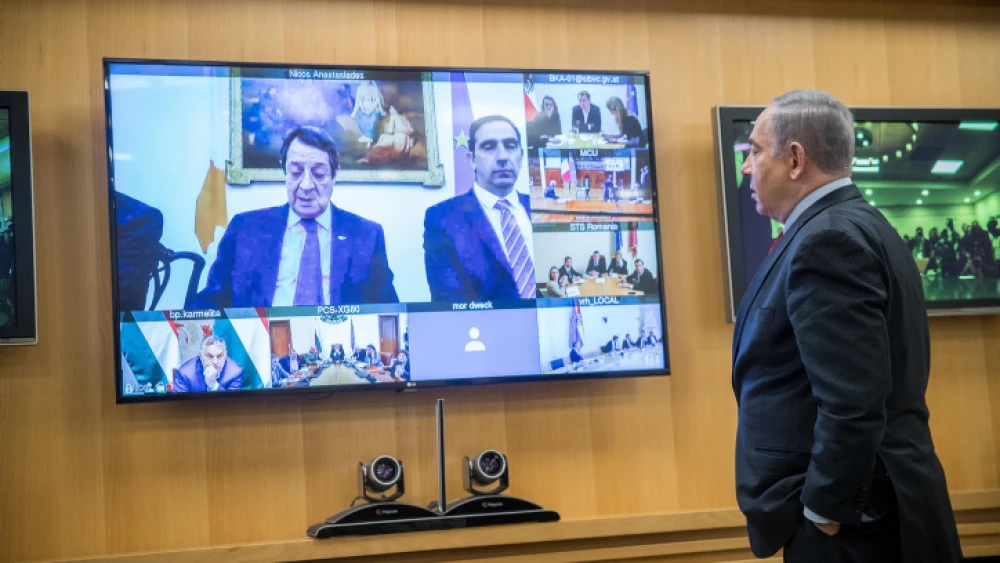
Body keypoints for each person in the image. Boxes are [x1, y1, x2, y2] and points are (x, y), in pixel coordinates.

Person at [732, 89, 961, 563]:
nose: (746, 168)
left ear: (795, 159)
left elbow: (853, 402)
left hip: (854, 530)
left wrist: (823, 511)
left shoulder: (829, 240)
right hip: (873, 514)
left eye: (754, 151)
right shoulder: (858, 224)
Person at [194, 126, 398, 309]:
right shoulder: (245, 229)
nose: (306, 185)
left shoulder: (367, 235)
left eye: (318, 174)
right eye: (295, 172)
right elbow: (210, 301)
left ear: (335, 175)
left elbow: (389, 310)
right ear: (285, 173)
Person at [423, 115, 535, 301]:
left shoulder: (542, 209)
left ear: (521, 156)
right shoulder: (443, 219)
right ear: (472, 159)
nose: (503, 157)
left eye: (510, 146)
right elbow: (449, 301)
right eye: (489, 147)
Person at [173, 335, 243, 392]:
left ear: (225, 355)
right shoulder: (185, 374)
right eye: (210, 356)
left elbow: (232, 405)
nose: (215, 362)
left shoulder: (235, 372)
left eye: (219, 356)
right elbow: (179, 405)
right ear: (200, 355)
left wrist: (214, 385)